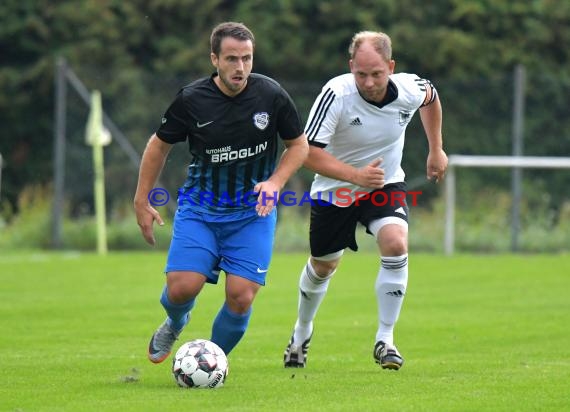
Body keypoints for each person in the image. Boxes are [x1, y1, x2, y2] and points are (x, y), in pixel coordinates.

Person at [134, 21, 308, 364]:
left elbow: (299, 146)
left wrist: (275, 183)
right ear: (214, 59)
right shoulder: (192, 99)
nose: (240, 67)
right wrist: (142, 199)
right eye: (231, 59)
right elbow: (158, 146)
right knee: (182, 289)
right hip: (201, 208)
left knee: (241, 296)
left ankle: (211, 362)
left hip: (251, 213)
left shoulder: (271, 95)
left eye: (246, 58)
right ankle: (176, 320)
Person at [283, 31, 448, 370]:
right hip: (336, 190)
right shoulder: (335, 95)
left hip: (384, 185)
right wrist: (355, 176)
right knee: (323, 265)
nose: (369, 82)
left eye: (377, 73)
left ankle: (385, 339)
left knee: (396, 242)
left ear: (391, 66)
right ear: (350, 67)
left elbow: (430, 98)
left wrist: (436, 148)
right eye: (361, 74)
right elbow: (306, 154)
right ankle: (301, 332)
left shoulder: (408, 89)